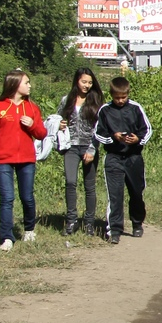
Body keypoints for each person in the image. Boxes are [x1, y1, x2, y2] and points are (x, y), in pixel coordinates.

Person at [0, 70, 48, 252]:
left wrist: (32, 125)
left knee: (27, 197)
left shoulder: (32, 108)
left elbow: (42, 134)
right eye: (26, 82)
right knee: (7, 198)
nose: (30, 85)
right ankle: (6, 237)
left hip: (26, 159)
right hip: (2, 160)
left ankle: (29, 229)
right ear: (15, 84)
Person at [93, 76, 152, 244]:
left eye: (123, 97)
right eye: (117, 97)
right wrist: (114, 137)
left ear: (128, 94)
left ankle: (137, 223)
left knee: (136, 192)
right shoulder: (105, 110)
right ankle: (115, 229)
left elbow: (147, 129)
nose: (120, 100)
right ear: (111, 94)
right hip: (114, 158)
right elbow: (98, 132)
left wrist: (138, 139)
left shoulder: (135, 108)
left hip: (134, 157)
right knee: (115, 195)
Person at [56, 68, 104, 236]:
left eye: (90, 83)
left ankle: (89, 223)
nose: (87, 86)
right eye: (84, 82)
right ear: (77, 81)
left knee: (89, 186)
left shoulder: (96, 101)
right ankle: (71, 221)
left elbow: (100, 128)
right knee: (70, 182)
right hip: (71, 147)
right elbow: (57, 118)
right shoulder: (66, 100)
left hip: (88, 147)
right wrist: (60, 125)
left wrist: (92, 149)